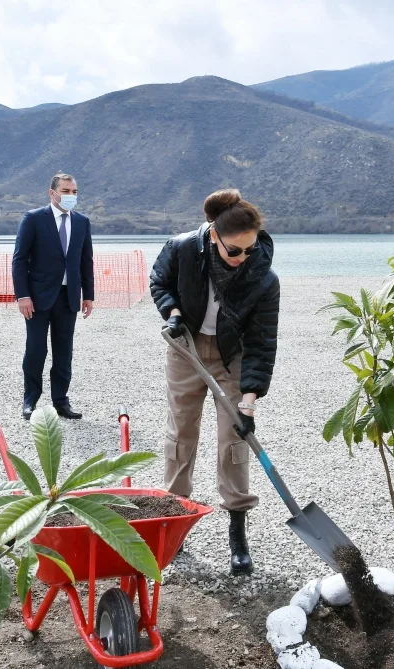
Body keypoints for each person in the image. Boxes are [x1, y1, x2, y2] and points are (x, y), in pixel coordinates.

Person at [150, 189, 280, 575]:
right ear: (213, 236)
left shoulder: (263, 278)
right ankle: (172, 523)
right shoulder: (182, 248)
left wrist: (250, 400)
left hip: (233, 355)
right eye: (234, 251)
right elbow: (159, 281)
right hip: (186, 347)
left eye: (250, 249)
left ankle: (237, 530)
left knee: (234, 438)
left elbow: (261, 341)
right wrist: (171, 312)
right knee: (181, 433)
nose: (243, 259)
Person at [12, 172, 94, 421]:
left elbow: (85, 261)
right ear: (52, 193)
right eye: (66, 191)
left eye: (75, 192)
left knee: (63, 352)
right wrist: (22, 295)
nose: (71, 196)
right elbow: (19, 259)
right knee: (36, 350)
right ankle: (30, 401)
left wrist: (88, 295)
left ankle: (61, 401)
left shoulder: (82, 222)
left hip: (68, 297)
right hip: (37, 298)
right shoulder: (34, 219)